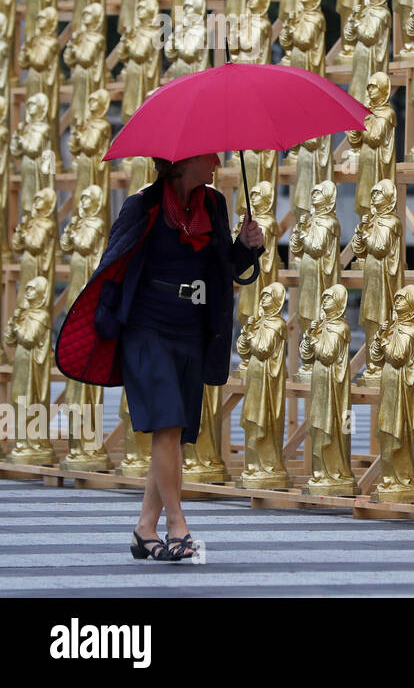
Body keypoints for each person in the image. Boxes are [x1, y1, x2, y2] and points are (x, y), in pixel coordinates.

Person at [56, 153, 264, 561]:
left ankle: (144, 529)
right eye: (209, 156)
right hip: (147, 328)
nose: (217, 161)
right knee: (167, 423)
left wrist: (246, 246)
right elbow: (112, 263)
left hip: (191, 328)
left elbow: (223, 268)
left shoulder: (214, 204)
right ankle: (177, 526)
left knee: (174, 434)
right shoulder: (144, 205)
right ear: (184, 162)